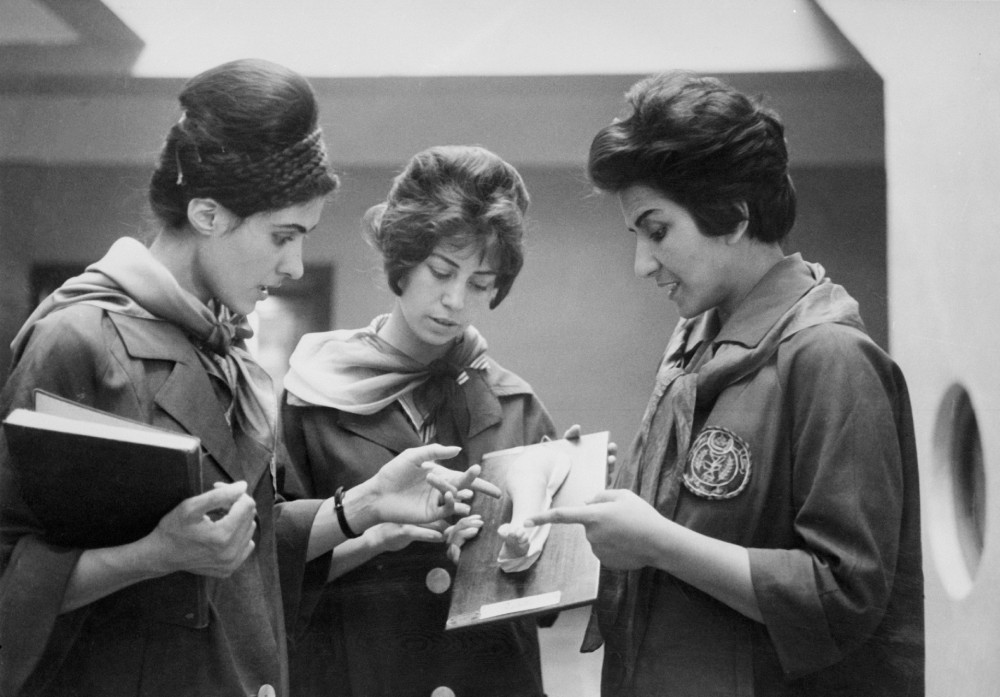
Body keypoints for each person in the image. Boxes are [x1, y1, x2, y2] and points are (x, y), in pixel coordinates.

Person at [0, 59, 494, 697]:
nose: (294, 266)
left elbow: (245, 550)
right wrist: (152, 555)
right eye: (282, 236)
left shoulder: (225, 349)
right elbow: (12, 575)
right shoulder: (78, 338)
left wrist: (361, 507)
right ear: (207, 214)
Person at [525, 71, 924, 696]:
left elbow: (842, 595)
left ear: (733, 215)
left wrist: (658, 542)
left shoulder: (830, 357)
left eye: (657, 231)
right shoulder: (694, 347)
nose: (642, 264)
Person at [280, 145, 567, 697]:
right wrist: (371, 539)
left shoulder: (517, 406)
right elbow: (268, 573)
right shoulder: (311, 397)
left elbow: (547, 599)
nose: (456, 300)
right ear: (403, 258)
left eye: (481, 284)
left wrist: (553, 516)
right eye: (442, 271)